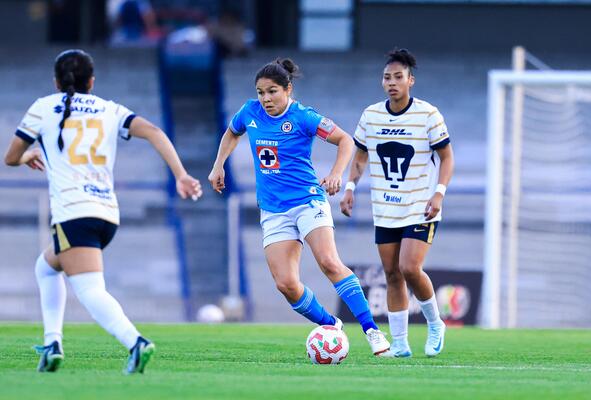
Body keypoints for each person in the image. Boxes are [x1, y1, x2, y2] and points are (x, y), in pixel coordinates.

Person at [3, 49, 202, 373]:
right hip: (106, 214)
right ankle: (52, 343)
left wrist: (28, 157)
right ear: (92, 82)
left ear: (56, 81)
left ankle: (135, 342)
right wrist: (180, 174)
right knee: (46, 267)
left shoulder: (43, 107)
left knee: (89, 289)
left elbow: (11, 156)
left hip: (74, 212)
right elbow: (153, 131)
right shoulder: (110, 110)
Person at [208, 58, 390, 355]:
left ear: (287, 89)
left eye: (272, 92)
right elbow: (232, 133)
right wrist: (218, 166)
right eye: (260, 92)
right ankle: (331, 325)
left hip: (307, 201)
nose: (265, 99)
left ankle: (372, 331)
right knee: (286, 284)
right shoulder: (249, 112)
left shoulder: (304, 116)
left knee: (329, 262)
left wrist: (335, 174)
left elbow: (345, 140)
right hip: (273, 209)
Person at [340, 49, 454, 358]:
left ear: (410, 81)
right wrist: (350, 187)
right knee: (391, 273)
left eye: (398, 77)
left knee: (409, 267)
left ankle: (435, 324)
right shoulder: (371, 115)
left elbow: (446, 157)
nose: (392, 83)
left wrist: (439, 192)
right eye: (387, 77)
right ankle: (400, 342)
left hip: (421, 205)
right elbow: (360, 155)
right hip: (386, 208)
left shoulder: (428, 114)